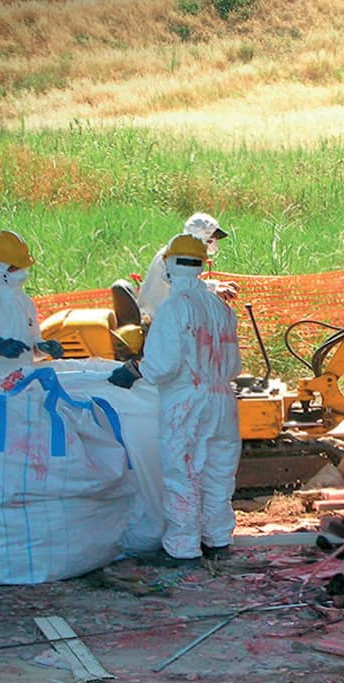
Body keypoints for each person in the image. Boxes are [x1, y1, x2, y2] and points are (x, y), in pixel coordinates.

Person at [108, 233, 242, 564]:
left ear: (169, 265)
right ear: (202, 265)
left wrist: (136, 371)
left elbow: (163, 366)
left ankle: (183, 548)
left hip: (187, 401)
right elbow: (235, 364)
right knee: (218, 473)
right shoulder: (221, 308)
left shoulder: (173, 308)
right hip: (223, 401)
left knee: (182, 472)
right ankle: (218, 540)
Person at [0, 230, 64, 364]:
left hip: (23, 378)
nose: (22, 272)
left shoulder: (25, 302)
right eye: (15, 268)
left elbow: (29, 352)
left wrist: (42, 349)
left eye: (23, 267)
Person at [137, 212, 236, 319]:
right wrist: (214, 290)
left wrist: (216, 285)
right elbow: (183, 286)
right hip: (158, 320)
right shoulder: (179, 256)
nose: (214, 246)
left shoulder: (176, 251)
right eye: (210, 240)